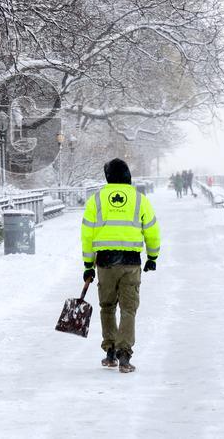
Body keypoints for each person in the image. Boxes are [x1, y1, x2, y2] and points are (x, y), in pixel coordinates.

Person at [81, 158, 161, 373]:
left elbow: (87, 234)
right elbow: (152, 231)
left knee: (107, 307)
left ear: (108, 177)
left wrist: (88, 265)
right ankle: (124, 355)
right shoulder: (139, 199)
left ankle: (110, 352)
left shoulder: (96, 200)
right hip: (130, 262)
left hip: (105, 262)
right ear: (127, 176)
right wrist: (152, 257)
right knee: (128, 308)